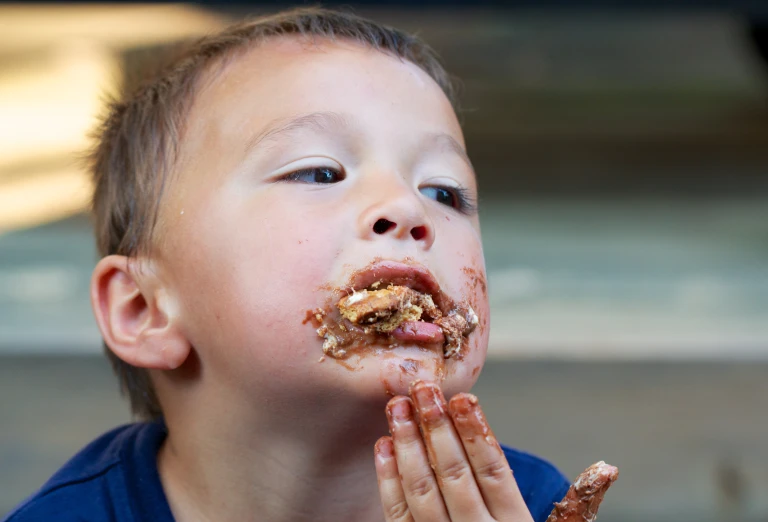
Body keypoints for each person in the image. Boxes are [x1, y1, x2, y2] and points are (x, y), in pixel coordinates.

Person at [4, 7, 570, 522]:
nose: (406, 207)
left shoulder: (531, 506)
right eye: (319, 173)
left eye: (445, 191)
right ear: (144, 310)